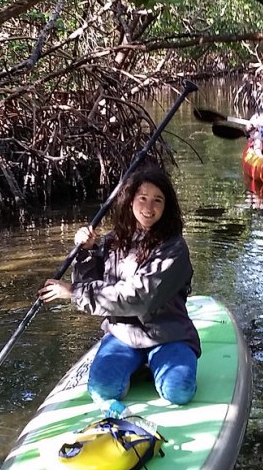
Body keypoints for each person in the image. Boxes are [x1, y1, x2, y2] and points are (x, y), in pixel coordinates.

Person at [38, 167, 200, 412]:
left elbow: (141, 297)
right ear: (130, 200)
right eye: (142, 198)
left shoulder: (174, 248)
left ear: (167, 206)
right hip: (123, 334)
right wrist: (86, 253)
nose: (149, 207)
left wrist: (73, 291)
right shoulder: (114, 240)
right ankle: (138, 367)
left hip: (169, 335)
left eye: (158, 200)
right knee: (102, 389)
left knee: (179, 391)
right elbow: (91, 282)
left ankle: (158, 365)